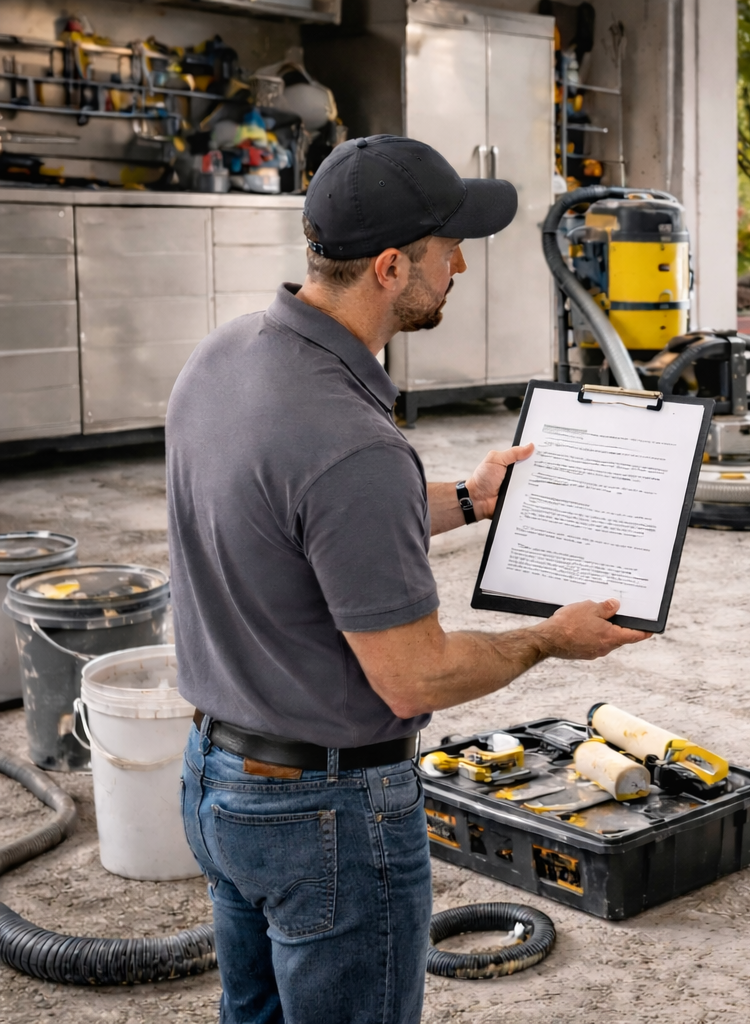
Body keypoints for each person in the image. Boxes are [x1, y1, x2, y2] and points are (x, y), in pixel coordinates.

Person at [167, 135, 649, 1024]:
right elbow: (414, 675)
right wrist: (550, 637)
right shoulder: (352, 444)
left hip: (217, 778)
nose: (462, 264)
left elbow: (299, 519)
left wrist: (470, 497)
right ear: (391, 267)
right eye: (448, 247)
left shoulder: (229, 355)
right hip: (325, 815)